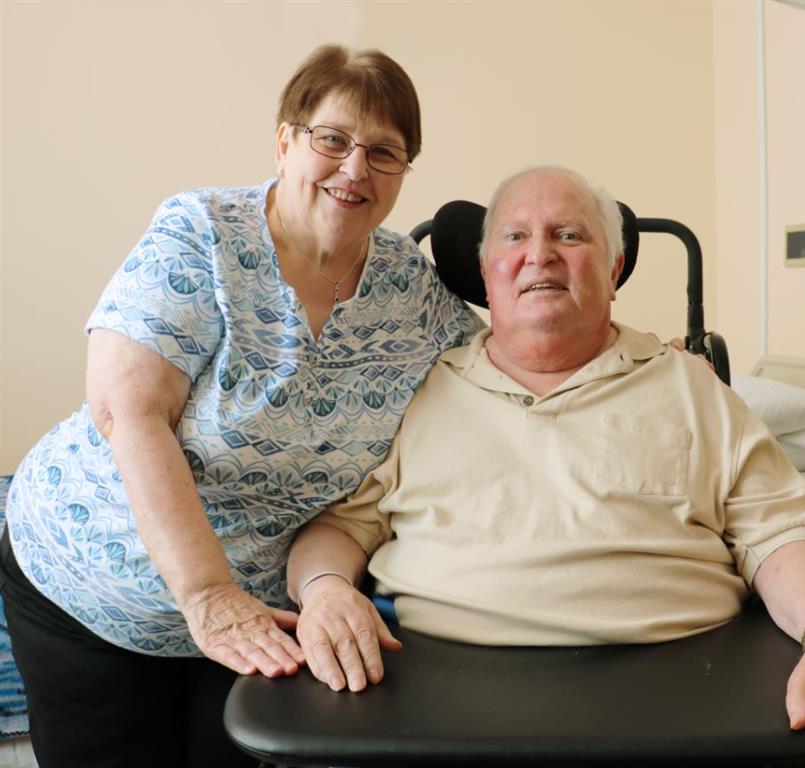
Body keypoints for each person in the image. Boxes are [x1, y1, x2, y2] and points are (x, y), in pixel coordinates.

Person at [289, 167, 805, 768]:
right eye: (515, 237)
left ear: (613, 271)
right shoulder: (415, 390)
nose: (540, 256)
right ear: (484, 272)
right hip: (433, 691)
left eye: (570, 236)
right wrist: (324, 591)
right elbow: (340, 527)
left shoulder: (692, 387)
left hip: (683, 692)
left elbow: (780, 531)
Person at [0, 45, 481, 768]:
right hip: (94, 583)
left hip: (260, 608)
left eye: (384, 152)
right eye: (334, 140)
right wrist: (207, 594)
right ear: (286, 141)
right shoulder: (201, 233)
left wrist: (637, 355)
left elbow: (499, 368)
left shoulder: (407, 288)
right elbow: (128, 413)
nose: (356, 169)